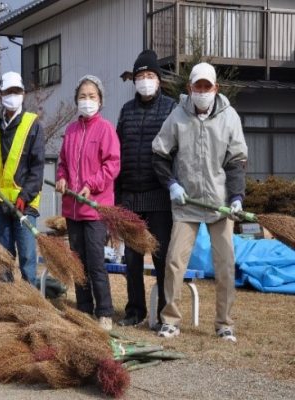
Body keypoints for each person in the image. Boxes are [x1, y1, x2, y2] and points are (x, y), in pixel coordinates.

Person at [152, 62, 248, 342]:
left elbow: (236, 161)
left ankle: (224, 323)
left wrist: (237, 197)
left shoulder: (230, 117)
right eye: (198, 86)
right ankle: (170, 320)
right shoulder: (177, 116)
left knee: (226, 265)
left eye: (208, 87)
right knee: (173, 262)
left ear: (216, 88)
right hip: (186, 203)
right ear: (190, 88)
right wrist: (171, 184)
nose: (203, 91)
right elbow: (159, 154)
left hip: (220, 205)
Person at [115, 50, 176, 330]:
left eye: (150, 75)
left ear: (159, 80)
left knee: (162, 257)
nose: (145, 80)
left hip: (160, 197)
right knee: (132, 259)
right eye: (140, 76)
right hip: (129, 196)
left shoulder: (172, 109)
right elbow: (118, 153)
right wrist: (117, 198)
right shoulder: (126, 110)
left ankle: (165, 312)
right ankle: (135, 310)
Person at [55, 75, 120, 332]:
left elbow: (112, 165)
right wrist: (61, 179)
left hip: (95, 209)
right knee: (77, 263)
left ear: (100, 100)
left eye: (92, 96)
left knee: (94, 262)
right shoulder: (70, 131)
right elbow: (62, 164)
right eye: (82, 96)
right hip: (72, 209)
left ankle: (104, 311)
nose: (87, 100)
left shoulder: (106, 130)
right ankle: (83, 309)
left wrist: (91, 185)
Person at [0, 71, 45, 284]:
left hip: (24, 205)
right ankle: (8, 304)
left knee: (27, 259)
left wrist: (25, 196)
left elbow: (37, 167)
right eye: (8, 91)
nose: (12, 95)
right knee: (2, 259)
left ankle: (30, 305)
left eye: (16, 91)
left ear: (23, 94)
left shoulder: (32, 124)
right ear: (0, 94)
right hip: (0, 203)